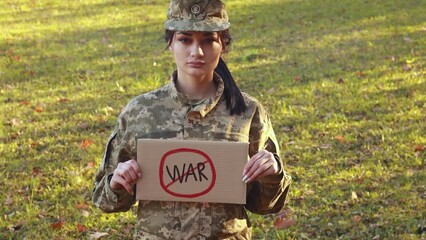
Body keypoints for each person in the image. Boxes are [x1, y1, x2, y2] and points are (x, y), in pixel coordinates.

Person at [92, 0, 292, 239]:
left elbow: (266, 205)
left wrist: (272, 172)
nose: (196, 52)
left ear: (223, 45)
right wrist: (117, 181)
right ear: (170, 43)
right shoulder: (140, 112)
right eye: (185, 39)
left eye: (208, 40)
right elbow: (105, 201)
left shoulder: (247, 112)